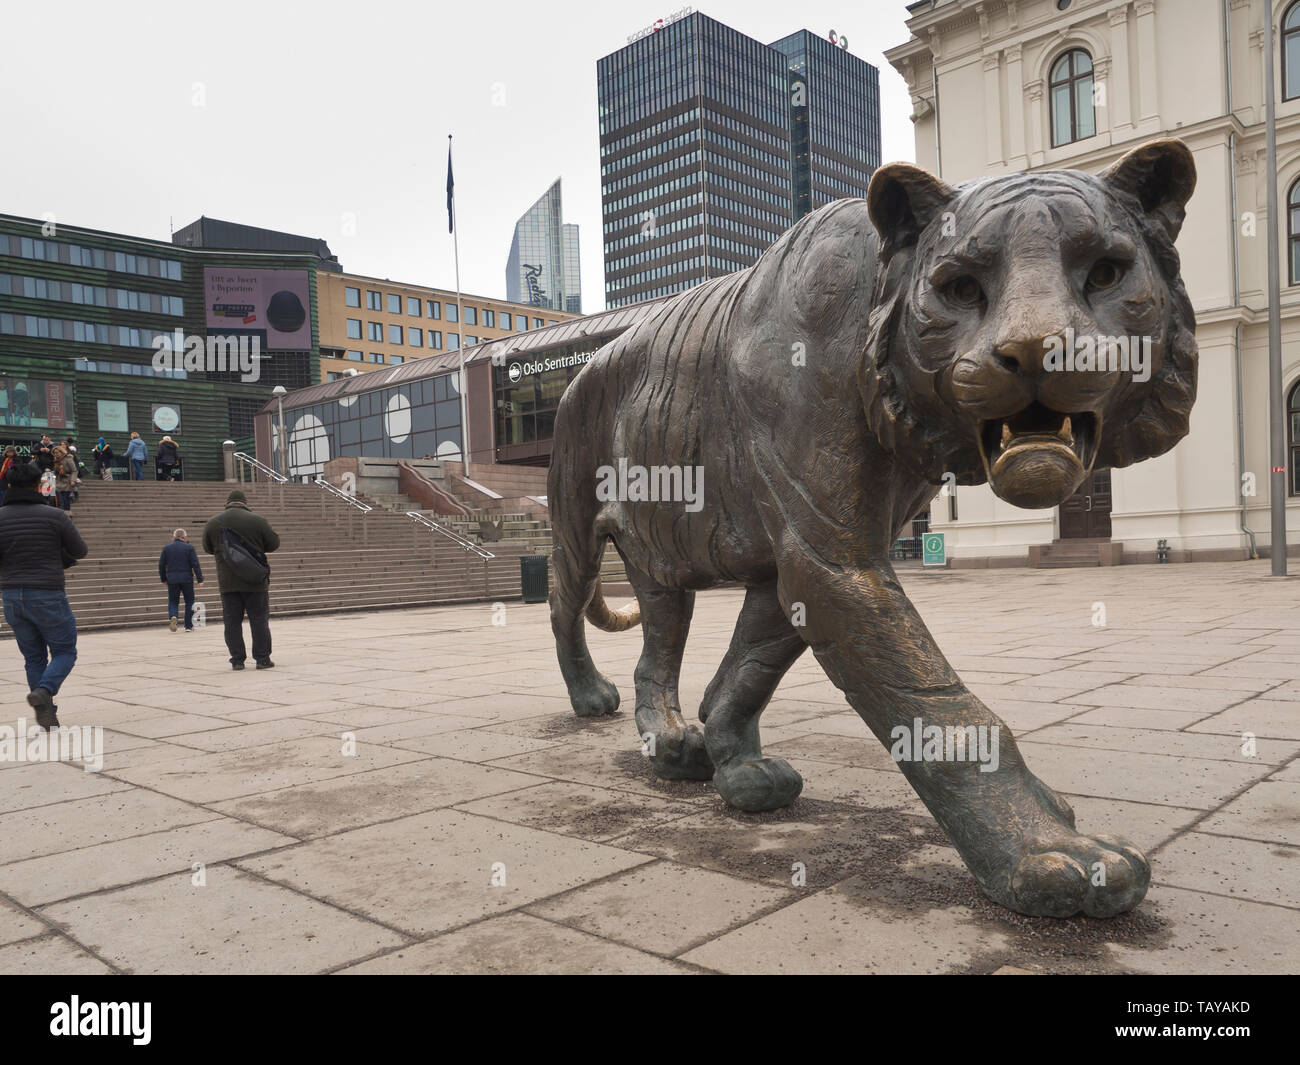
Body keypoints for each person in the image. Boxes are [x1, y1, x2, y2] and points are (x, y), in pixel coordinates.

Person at [0, 460, 88, 729]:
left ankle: (47, 712)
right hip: (47, 592)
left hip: (12, 596)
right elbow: (80, 550)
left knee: (33, 657)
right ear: (39, 485)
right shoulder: (55, 516)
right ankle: (45, 691)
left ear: (10, 485)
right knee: (64, 651)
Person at [202, 489, 280, 670]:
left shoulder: (214, 523)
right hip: (255, 581)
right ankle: (262, 659)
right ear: (245, 503)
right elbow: (274, 544)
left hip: (228, 582)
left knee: (232, 623)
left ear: (227, 503)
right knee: (259, 620)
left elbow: (207, 548)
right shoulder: (258, 521)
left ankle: (237, 660)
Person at [159, 528, 204, 632]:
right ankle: (188, 626)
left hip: (172, 580)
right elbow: (195, 564)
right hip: (187, 579)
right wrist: (200, 579)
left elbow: (161, 565)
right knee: (189, 601)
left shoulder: (167, 548)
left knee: (173, 601)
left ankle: (173, 616)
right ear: (184, 537)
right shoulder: (189, 548)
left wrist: (163, 578)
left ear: (174, 537)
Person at [53, 446, 77, 511]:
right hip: (58, 481)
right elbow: (55, 472)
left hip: (67, 481)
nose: (56, 454)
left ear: (61, 452)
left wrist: (73, 480)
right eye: (54, 453)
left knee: (65, 498)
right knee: (59, 499)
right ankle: (61, 513)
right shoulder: (56, 460)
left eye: (57, 453)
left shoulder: (68, 458)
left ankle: (67, 513)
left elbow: (74, 470)